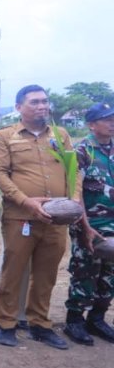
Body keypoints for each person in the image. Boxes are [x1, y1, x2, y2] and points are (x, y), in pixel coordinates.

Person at [0, 84, 80, 350]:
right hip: (21, 218)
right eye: (34, 102)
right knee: (13, 272)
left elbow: (73, 169)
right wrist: (26, 201)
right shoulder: (4, 136)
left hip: (56, 219)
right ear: (19, 107)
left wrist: (73, 200)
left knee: (46, 274)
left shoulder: (61, 135)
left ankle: (40, 324)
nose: (42, 106)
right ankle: (6, 324)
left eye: (44, 101)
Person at [63, 102, 114, 345]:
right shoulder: (82, 151)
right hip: (90, 224)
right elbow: (76, 192)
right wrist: (85, 226)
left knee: (110, 275)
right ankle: (74, 320)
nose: (112, 122)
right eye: (106, 119)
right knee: (85, 272)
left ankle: (97, 318)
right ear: (92, 125)